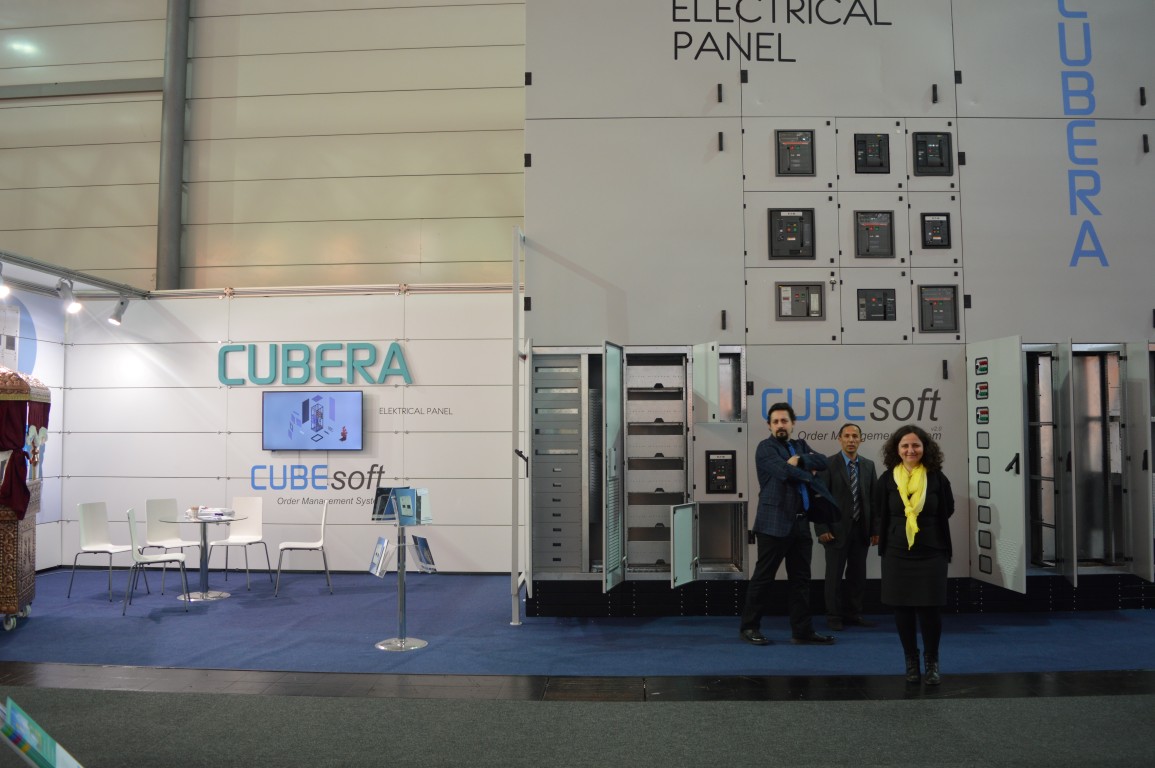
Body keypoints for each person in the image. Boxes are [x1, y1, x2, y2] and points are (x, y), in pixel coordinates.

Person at [739, 402, 835, 647]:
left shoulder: (800, 446)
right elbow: (785, 472)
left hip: (801, 524)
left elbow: (824, 461)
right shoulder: (765, 448)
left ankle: (802, 631)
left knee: (801, 581)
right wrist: (808, 471)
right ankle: (749, 627)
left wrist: (800, 460)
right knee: (763, 578)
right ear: (769, 426)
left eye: (784, 421)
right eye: (776, 422)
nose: (780, 425)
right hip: (773, 524)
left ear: (793, 424)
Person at [874, 424, 954, 685]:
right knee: (902, 608)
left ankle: (932, 662)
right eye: (905, 445)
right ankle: (911, 660)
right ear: (897, 450)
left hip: (932, 551)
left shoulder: (937, 478)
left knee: (931, 609)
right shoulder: (887, 479)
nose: (911, 450)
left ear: (924, 448)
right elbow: (879, 510)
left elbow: (948, 508)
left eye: (916, 445)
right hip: (897, 552)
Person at [815, 423, 878, 632]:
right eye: (847, 436)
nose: (851, 440)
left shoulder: (868, 466)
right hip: (834, 531)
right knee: (833, 577)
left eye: (855, 436)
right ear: (840, 439)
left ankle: (853, 614)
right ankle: (833, 616)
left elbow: (874, 500)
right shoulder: (828, 464)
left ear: (861, 439)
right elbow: (819, 498)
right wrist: (822, 528)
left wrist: (875, 530)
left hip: (861, 530)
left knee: (857, 576)